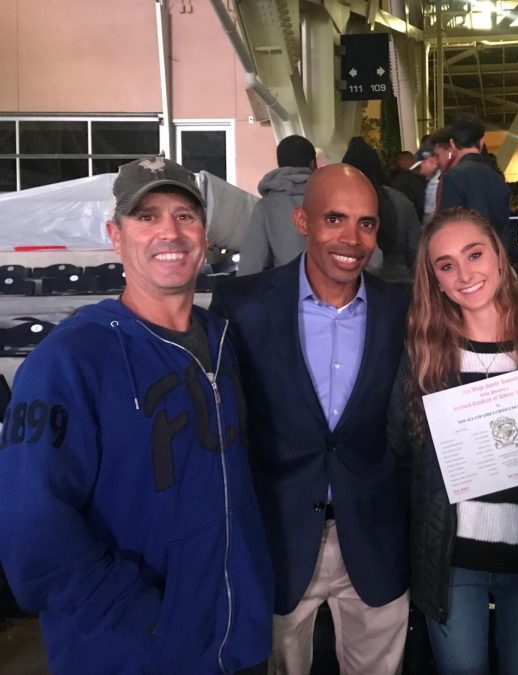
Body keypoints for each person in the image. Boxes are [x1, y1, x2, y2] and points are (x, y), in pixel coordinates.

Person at [0, 157, 274, 674]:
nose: (169, 231)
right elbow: (31, 536)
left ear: (205, 232)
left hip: (237, 643)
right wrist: (145, 618)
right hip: (132, 651)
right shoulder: (70, 359)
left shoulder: (222, 340)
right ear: (115, 234)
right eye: (146, 216)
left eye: (184, 215)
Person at [210, 164, 410, 675]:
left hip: (375, 537)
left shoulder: (402, 307)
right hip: (277, 538)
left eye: (366, 223)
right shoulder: (242, 305)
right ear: (302, 220)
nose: (352, 238)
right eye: (335, 219)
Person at [388, 207, 518, 675]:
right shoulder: (423, 354)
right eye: (446, 265)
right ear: (435, 280)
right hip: (451, 560)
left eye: (474, 254)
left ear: (499, 259)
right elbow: (400, 452)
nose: (464, 274)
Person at [343, 136, 420, 283]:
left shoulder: (342, 204)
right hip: (400, 281)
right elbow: (415, 249)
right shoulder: (398, 199)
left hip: (358, 284)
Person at [239, 134, 317, 276]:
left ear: (279, 165)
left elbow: (252, 264)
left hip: (286, 290)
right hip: (333, 291)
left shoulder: (266, 206)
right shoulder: (329, 198)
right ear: (313, 164)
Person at [438, 116, 512, 251]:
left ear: (453, 144)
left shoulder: (453, 177)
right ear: (482, 142)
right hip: (497, 255)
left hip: (468, 257)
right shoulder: (497, 176)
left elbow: (448, 226)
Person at [390, 149, 427, 221]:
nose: (415, 161)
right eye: (412, 159)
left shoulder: (390, 179)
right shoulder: (414, 180)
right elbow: (423, 203)